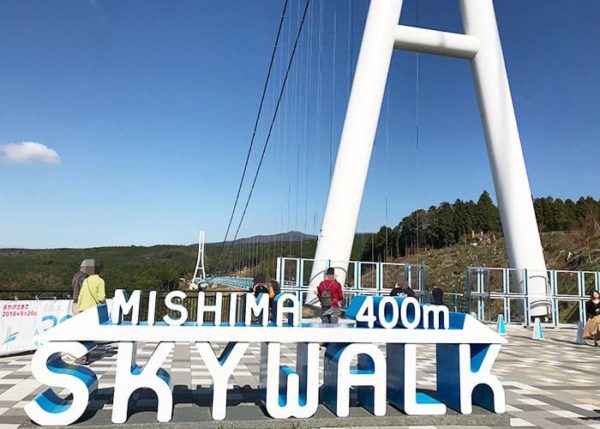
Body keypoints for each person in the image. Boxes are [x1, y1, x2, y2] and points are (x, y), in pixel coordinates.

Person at [75, 260, 106, 364]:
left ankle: (81, 356)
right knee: (89, 334)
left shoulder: (86, 280)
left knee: (82, 334)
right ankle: (85, 357)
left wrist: (79, 307)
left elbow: (81, 295)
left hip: (83, 309)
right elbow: (101, 297)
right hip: (93, 310)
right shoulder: (100, 281)